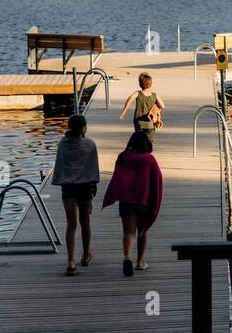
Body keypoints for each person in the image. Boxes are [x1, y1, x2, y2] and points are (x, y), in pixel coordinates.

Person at [101, 131, 163, 276]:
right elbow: (157, 180)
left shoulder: (123, 157)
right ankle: (140, 262)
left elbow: (117, 177)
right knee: (143, 230)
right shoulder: (149, 159)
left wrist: (114, 194)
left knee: (128, 232)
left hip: (126, 200)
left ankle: (127, 257)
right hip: (144, 201)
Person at [50, 114, 100, 275]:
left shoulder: (62, 144)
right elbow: (93, 169)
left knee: (71, 224)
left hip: (68, 188)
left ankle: (71, 261)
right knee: (85, 222)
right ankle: (86, 255)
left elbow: (59, 166)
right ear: (83, 128)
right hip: (84, 187)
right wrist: (93, 185)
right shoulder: (90, 144)